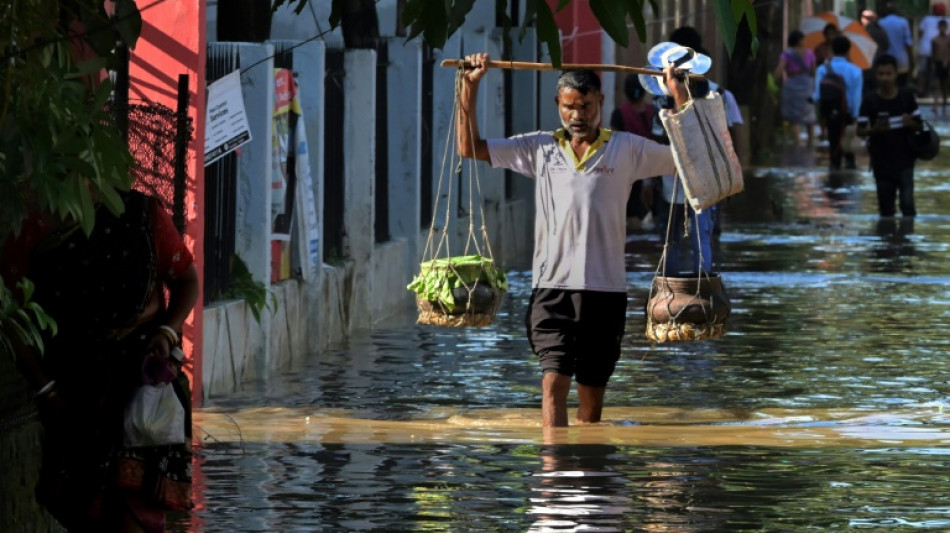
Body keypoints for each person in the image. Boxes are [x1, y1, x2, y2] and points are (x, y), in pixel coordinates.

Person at [456, 52, 691, 427]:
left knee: (591, 403)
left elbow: (687, 159)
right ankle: (553, 478)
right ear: (558, 106)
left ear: (600, 102)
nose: (577, 116)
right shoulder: (540, 148)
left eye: (585, 106)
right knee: (552, 384)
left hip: (606, 291)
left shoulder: (628, 149)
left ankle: (586, 469)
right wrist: (470, 86)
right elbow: (469, 148)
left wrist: (679, 95)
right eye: (569, 107)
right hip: (551, 290)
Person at [2, 189, 199, 532]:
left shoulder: (140, 216)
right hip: (76, 391)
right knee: (84, 507)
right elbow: (11, 317)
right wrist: (47, 389)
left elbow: (186, 280)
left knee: (133, 510)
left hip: (143, 387)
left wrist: (167, 332)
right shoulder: (31, 226)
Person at [858, 54, 922, 218]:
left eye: (889, 74)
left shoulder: (907, 97)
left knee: (908, 205)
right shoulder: (870, 100)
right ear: (875, 75)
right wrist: (874, 130)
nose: (885, 78)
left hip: (905, 160)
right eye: (881, 74)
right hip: (881, 162)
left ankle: (907, 240)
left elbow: (920, 125)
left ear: (895, 74)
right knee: (886, 210)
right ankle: (888, 241)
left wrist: (910, 123)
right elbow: (859, 131)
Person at [609, 74, 656, 229]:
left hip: (630, 173)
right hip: (655, 172)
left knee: (631, 220)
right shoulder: (654, 111)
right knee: (657, 218)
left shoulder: (619, 114)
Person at [813, 35, 864, 170]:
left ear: (832, 50)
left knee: (833, 142)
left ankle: (834, 171)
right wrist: (855, 115)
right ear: (848, 50)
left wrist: (820, 115)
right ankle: (849, 166)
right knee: (848, 143)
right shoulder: (855, 70)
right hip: (847, 112)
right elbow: (856, 96)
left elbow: (817, 96)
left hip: (829, 111)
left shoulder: (822, 69)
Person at [773, 29, 817, 147]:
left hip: (792, 84)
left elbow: (780, 69)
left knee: (794, 116)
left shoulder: (787, 54)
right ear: (799, 40)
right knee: (809, 112)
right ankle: (810, 142)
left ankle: (797, 142)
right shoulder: (810, 53)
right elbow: (813, 71)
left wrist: (773, 79)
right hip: (807, 84)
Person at [878, 2, 914, 87]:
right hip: (901, 59)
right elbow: (908, 42)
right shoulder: (903, 22)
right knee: (902, 84)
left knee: (887, 84)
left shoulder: (881, 23)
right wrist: (911, 59)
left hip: (885, 59)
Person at [916, 3, 948, 97]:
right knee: (940, 73)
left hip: (925, 50)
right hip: (941, 53)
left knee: (923, 71)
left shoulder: (926, 19)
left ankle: (921, 91)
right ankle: (942, 92)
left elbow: (920, 33)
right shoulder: (948, 21)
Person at [860, 9, 891, 92]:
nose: (867, 19)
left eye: (869, 18)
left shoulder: (862, 31)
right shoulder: (880, 31)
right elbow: (886, 45)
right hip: (874, 64)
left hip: (868, 65)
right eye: (865, 17)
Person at [932, 19, 950, 116]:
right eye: (941, 27)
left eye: (944, 27)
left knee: (945, 87)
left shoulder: (948, 39)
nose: (942, 29)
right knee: (937, 85)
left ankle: (944, 107)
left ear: (946, 28)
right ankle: (935, 105)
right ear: (938, 28)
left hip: (946, 64)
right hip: (938, 63)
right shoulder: (935, 40)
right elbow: (933, 53)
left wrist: (947, 60)